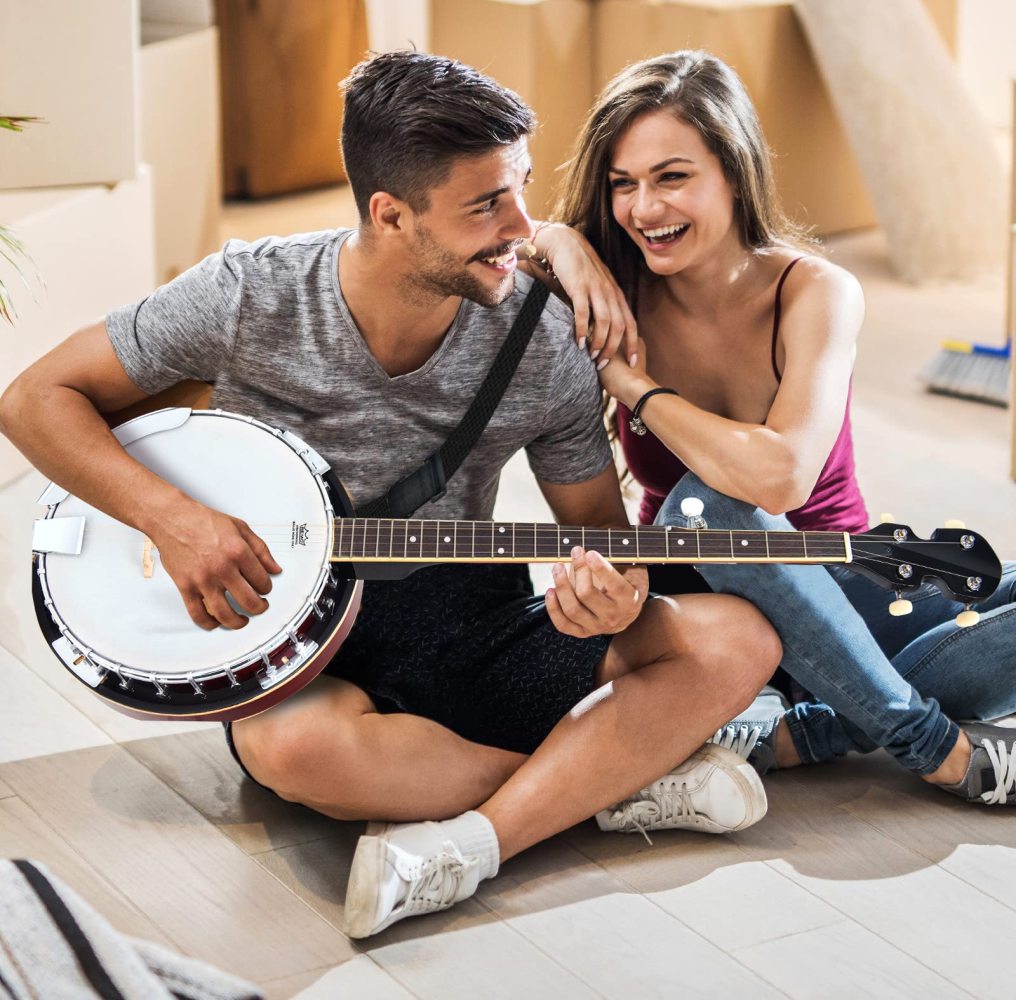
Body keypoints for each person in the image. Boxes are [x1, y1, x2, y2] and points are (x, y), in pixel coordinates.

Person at [0, 52, 783, 938]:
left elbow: (599, 532)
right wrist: (175, 520)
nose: (523, 227)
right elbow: (33, 399)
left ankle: (483, 835)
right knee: (291, 749)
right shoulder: (249, 293)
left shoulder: (545, 335)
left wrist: (608, 596)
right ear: (391, 213)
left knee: (734, 640)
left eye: (522, 188)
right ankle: (610, 782)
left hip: (468, 614)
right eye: (486, 203)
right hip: (294, 637)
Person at [525, 49, 1016, 806]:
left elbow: (782, 478)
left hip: (839, 591)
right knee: (708, 511)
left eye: (672, 176)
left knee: (736, 504)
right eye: (623, 184)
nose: (643, 209)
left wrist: (633, 384)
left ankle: (807, 731)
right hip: (700, 600)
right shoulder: (614, 289)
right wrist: (559, 240)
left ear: (733, 167)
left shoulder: (815, 290)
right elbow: (500, 248)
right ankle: (924, 740)